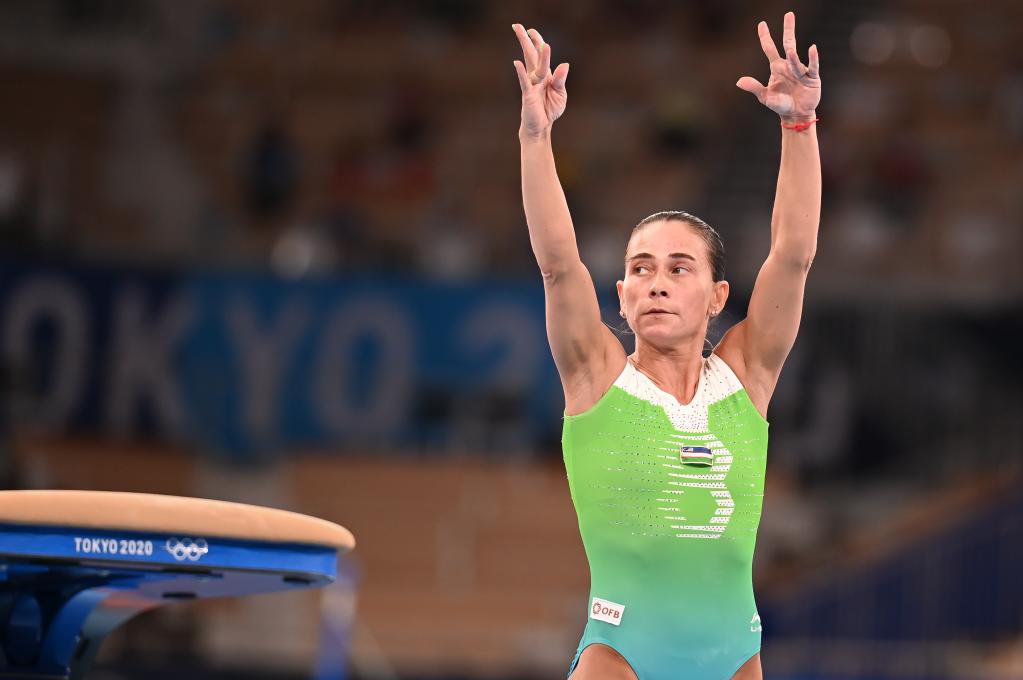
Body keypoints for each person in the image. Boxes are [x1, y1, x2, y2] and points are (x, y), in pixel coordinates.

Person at [512, 11, 821, 680]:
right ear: (621, 296)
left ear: (716, 295)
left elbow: (793, 257)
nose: (656, 283)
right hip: (622, 656)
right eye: (641, 269)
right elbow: (558, 265)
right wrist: (536, 137)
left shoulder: (746, 377)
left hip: (734, 660)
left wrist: (799, 126)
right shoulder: (596, 377)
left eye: (679, 268)